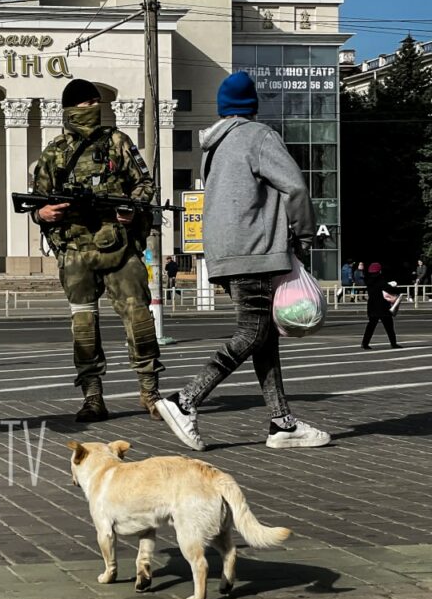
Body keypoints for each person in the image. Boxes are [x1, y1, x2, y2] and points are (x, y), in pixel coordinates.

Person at [155, 71, 330, 451]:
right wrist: (302, 235)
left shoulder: (214, 147)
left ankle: (282, 423)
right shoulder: (259, 136)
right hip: (257, 250)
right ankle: (184, 401)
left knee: (263, 339)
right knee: (252, 333)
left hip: (225, 252)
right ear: (253, 105)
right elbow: (295, 186)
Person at [30, 77, 164, 423]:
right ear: (70, 110)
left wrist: (132, 208)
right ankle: (92, 397)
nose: (92, 109)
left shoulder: (118, 142)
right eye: (84, 104)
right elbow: (37, 202)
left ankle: (150, 392)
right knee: (84, 327)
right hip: (75, 251)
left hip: (119, 247)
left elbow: (145, 183)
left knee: (139, 320)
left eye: (95, 103)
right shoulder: (55, 152)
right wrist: (42, 213)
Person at [362, 262, 402, 350]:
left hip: (372, 306)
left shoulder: (369, 281)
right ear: (379, 271)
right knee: (389, 326)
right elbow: (390, 289)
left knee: (371, 326)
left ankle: (365, 343)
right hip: (383, 307)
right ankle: (393, 343)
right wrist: (398, 290)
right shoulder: (381, 280)